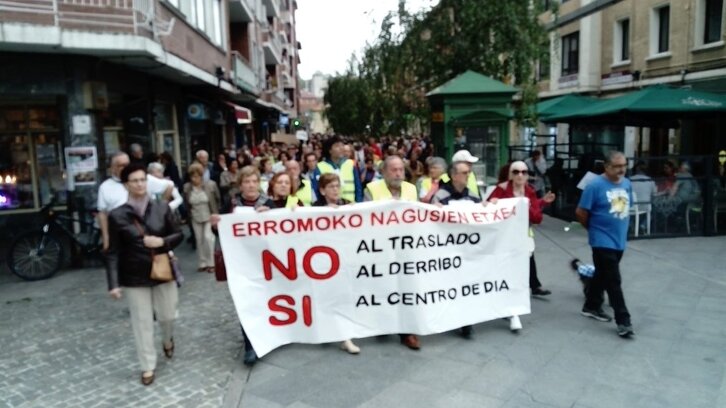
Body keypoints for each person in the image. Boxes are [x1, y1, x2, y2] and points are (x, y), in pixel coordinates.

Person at [105, 163, 183, 386]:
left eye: (142, 180)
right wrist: (113, 283)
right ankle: (147, 365)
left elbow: (178, 234)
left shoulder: (161, 208)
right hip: (133, 274)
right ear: (126, 185)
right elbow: (112, 251)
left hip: (162, 269)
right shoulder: (117, 215)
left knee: (168, 315)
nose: (139, 184)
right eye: (134, 181)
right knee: (142, 322)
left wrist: (162, 241)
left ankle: (167, 338)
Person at [213, 166, 275, 366]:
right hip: (239, 263)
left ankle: (268, 337)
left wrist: (270, 216)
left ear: (259, 183)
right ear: (240, 185)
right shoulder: (230, 204)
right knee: (246, 302)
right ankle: (250, 345)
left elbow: (281, 234)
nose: (250, 185)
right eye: (246, 182)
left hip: (265, 262)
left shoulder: (269, 203)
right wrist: (216, 225)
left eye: (254, 181)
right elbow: (222, 232)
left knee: (266, 301)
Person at [488, 161, 555, 332]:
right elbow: (488, 210)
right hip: (503, 239)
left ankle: (513, 310)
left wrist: (532, 204)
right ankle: (509, 309)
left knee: (518, 274)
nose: (520, 175)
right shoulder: (501, 190)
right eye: (516, 171)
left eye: (524, 172)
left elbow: (537, 218)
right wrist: (492, 204)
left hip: (522, 238)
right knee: (505, 272)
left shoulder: (530, 191)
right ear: (510, 174)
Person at [575, 151, 634, 338]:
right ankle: (623, 321)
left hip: (619, 240)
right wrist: (593, 230)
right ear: (606, 167)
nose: (622, 169)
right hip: (601, 240)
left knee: (602, 275)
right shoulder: (594, 186)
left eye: (624, 165)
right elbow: (581, 212)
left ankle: (591, 305)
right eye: (617, 166)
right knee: (614, 280)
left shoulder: (627, 183)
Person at [364, 155, 420, 350]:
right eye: (393, 170)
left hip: (407, 247)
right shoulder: (372, 189)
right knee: (384, 288)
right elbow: (364, 218)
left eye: (401, 170)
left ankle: (407, 332)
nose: (398, 174)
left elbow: (420, 215)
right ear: (384, 172)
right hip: (381, 248)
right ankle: (383, 323)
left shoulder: (411, 189)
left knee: (407, 289)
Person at [431, 161, 483, 339]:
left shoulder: (473, 196)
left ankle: (466, 322)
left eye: (468, 173)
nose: (468, 176)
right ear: (453, 175)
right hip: (448, 250)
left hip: (467, 250)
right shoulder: (441, 195)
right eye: (464, 173)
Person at [312, 173, 360, 354]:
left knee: (344, 296)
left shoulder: (348, 204)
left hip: (345, 259)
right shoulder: (314, 208)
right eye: (331, 186)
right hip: (323, 261)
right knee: (326, 297)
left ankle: (345, 337)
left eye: (337, 186)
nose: (335, 190)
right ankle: (328, 331)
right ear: (322, 190)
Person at [183, 163, 221, 273]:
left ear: (202, 175)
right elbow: (186, 203)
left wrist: (216, 213)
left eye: (198, 176)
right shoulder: (187, 187)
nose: (195, 179)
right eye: (193, 176)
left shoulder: (210, 185)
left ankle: (211, 263)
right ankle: (202, 262)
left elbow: (217, 199)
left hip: (209, 215)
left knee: (208, 238)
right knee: (199, 240)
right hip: (195, 216)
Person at [312, 136, 363, 203]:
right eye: (337, 146)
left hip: (351, 206)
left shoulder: (350, 164)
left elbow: (358, 187)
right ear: (330, 150)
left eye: (342, 145)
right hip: (330, 208)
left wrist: (358, 203)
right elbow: (317, 190)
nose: (341, 148)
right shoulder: (320, 166)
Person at [629, 161, 657, 234]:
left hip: (631, 206)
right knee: (654, 208)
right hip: (644, 205)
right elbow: (654, 194)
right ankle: (643, 225)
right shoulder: (650, 180)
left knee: (628, 212)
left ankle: (631, 225)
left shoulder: (629, 180)